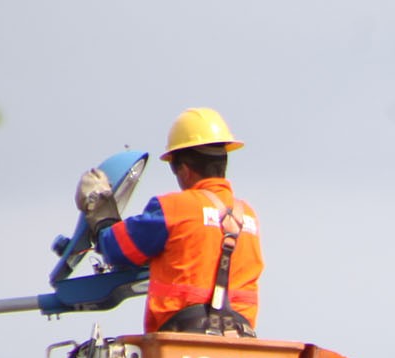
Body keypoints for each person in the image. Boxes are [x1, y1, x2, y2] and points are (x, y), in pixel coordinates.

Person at [87, 107, 263, 335]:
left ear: (184, 169)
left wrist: (101, 218)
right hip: (240, 343)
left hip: (180, 343)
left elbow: (115, 248)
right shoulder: (249, 216)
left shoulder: (173, 209)